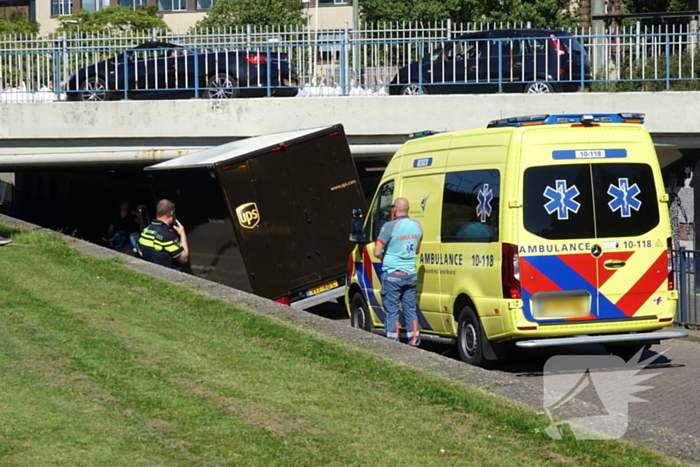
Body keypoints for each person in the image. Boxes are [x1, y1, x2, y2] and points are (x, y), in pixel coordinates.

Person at [373, 197, 423, 346]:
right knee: (410, 310)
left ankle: (393, 343)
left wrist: (388, 255)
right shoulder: (417, 225)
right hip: (410, 275)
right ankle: (414, 342)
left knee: (392, 310)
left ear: (395, 209)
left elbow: (376, 252)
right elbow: (417, 249)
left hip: (393, 275)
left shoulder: (389, 226)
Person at [137, 199, 189, 270]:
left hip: (151, 271)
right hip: (169, 275)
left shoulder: (145, 231)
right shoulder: (167, 235)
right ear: (171, 213)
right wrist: (182, 233)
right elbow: (184, 259)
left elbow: (141, 252)